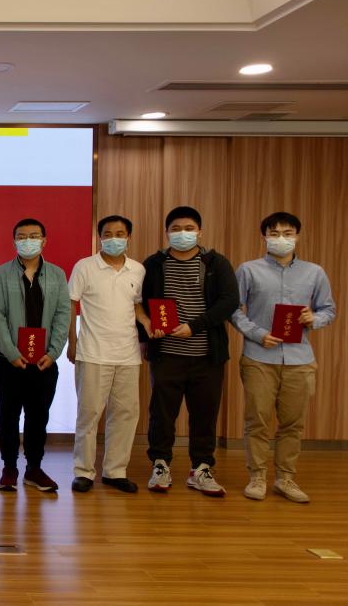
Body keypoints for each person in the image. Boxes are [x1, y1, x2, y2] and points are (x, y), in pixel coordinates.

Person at [232, 212, 336, 503]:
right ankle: (257, 476)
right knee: (257, 421)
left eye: (287, 233)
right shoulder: (248, 270)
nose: (281, 238)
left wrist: (314, 318)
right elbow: (234, 309)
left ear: (297, 236)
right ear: (264, 236)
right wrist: (257, 333)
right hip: (258, 357)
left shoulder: (315, 272)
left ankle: (285, 478)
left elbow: (329, 309)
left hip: (300, 359)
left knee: (292, 424)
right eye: (274, 233)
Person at [135, 206, 239, 497]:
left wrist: (195, 326)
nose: (183, 233)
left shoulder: (216, 263)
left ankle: (201, 468)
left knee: (205, 414)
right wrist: (146, 336)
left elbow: (230, 301)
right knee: (162, 413)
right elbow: (140, 302)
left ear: (200, 232)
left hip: (207, 355)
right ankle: (160, 464)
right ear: (167, 233)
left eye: (189, 228)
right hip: (166, 353)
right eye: (176, 229)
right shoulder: (154, 264)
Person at [0, 218, 70, 493]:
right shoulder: (1, 274)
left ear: (44, 240)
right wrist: (11, 352)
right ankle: (9, 467)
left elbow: (63, 314)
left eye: (34, 236)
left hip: (44, 360)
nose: (28, 241)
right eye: (22, 237)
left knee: (38, 416)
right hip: (9, 360)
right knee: (8, 414)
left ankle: (34, 468)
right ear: (14, 241)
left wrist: (54, 352)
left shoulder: (57, 274)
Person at [67, 215, 145, 494]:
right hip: (92, 352)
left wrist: (148, 324)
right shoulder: (85, 266)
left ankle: (115, 471)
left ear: (129, 237)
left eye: (120, 234)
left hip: (128, 354)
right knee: (88, 415)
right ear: (99, 237)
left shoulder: (138, 270)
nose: (114, 239)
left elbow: (136, 306)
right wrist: (72, 342)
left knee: (125, 415)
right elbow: (70, 304)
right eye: (108, 234)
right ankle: (83, 471)